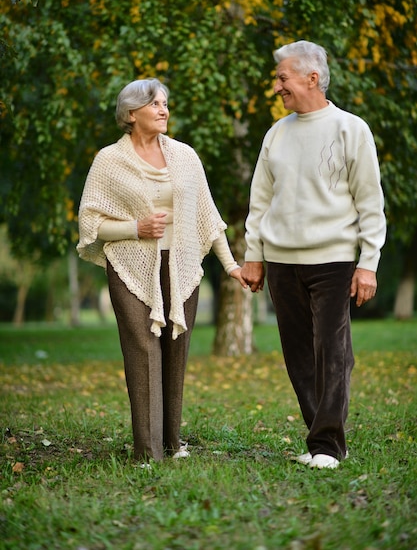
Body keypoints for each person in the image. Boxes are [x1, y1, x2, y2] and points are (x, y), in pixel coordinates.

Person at [77, 78, 246, 465]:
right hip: (131, 265)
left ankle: (172, 442)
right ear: (131, 113)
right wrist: (134, 228)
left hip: (181, 262)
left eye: (165, 104)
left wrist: (231, 266)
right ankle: (146, 451)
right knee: (142, 350)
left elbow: (209, 217)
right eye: (154, 104)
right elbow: (89, 222)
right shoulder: (108, 161)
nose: (163, 110)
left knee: (175, 349)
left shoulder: (186, 156)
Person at [241, 40, 386, 469]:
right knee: (300, 356)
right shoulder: (277, 134)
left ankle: (326, 446)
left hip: (335, 260)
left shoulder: (351, 129)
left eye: (282, 77)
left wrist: (368, 263)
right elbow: (259, 201)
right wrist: (254, 255)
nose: (276, 87)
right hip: (283, 262)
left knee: (333, 352)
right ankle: (319, 437)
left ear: (312, 77)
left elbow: (370, 203)